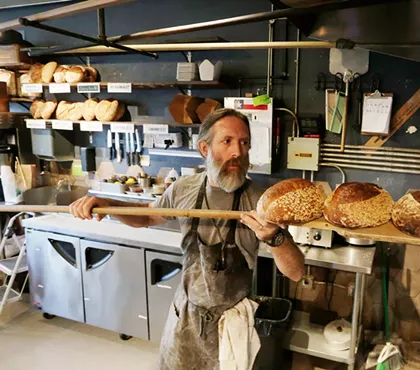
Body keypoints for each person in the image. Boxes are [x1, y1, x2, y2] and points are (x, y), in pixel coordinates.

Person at [70, 108, 305, 370]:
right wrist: (107, 204)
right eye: (227, 142)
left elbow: (296, 273)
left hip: (232, 322)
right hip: (185, 316)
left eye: (244, 142)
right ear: (204, 149)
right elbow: (148, 217)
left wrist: (276, 238)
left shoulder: (260, 202)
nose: (238, 152)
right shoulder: (184, 188)